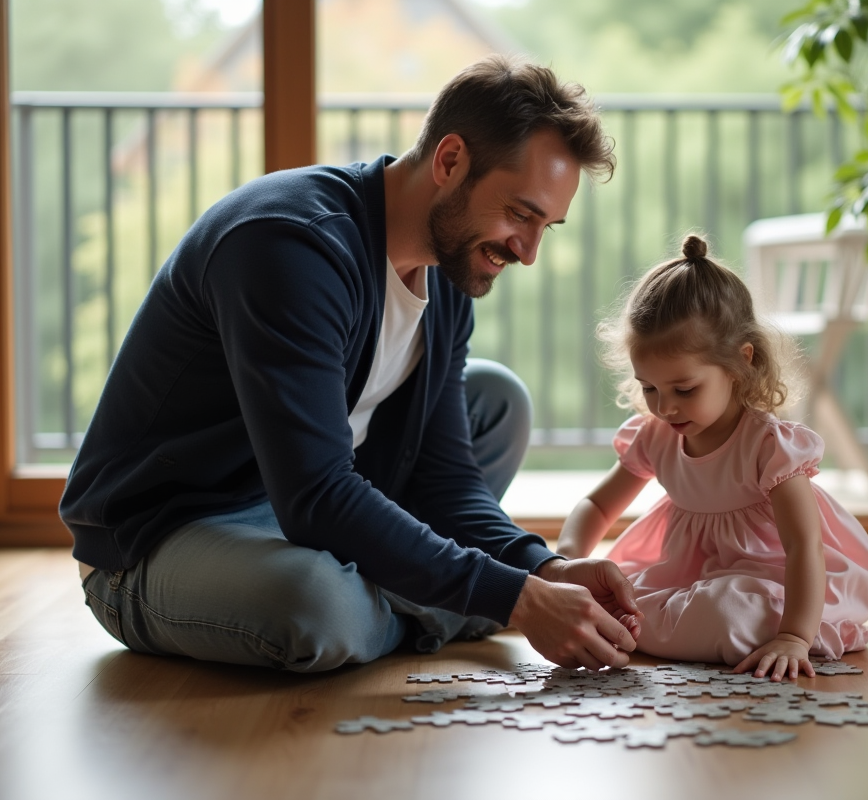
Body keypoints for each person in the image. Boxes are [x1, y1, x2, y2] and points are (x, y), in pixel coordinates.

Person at [60, 55, 644, 673]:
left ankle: (411, 585)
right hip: (163, 536)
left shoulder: (445, 278)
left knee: (496, 401)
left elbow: (445, 481)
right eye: (520, 213)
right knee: (316, 605)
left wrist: (542, 568)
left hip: (304, 508)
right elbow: (314, 493)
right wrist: (514, 599)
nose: (526, 252)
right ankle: (422, 597)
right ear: (450, 162)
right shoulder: (290, 244)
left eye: (545, 227)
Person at [555, 234, 868, 681]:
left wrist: (795, 637)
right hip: (686, 576)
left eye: (684, 390)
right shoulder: (656, 435)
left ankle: (725, 627)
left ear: (739, 363)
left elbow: (803, 546)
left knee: (729, 612)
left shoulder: (769, 445)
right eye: (650, 388)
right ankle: (671, 624)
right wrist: (567, 563)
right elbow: (597, 504)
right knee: (622, 600)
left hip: (775, 580)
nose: (664, 407)